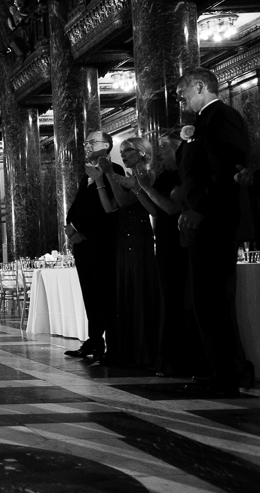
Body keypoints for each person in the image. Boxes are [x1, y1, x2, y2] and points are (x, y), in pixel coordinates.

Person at [177, 67, 254, 393]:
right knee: (206, 300)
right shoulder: (204, 122)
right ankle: (222, 370)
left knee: (213, 301)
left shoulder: (221, 117)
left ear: (199, 86)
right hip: (204, 223)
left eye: (183, 93)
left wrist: (199, 208)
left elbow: (226, 172)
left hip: (214, 222)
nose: (181, 100)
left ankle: (229, 374)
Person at [135, 133, 206, 377]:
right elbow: (154, 209)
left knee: (178, 299)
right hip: (164, 241)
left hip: (178, 242)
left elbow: (171, 207)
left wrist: (145, 187)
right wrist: (139, 190)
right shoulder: (165, 176)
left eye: (164, 148)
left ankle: (182, 360)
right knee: (169, 300)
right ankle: (168, 360)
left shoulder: (182, 175)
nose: (161, 153)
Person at [64, 131, 124, 363]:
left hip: (101, 243)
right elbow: (78, 206)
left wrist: (83, 232)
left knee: (104, 292)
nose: (87, 145)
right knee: (90, 293)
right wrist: (69, 226)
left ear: (107, 146)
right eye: (86, 142)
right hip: (83, 245)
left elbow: (106, 212)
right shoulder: (85, 177)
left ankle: (112, 342)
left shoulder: (114, 171)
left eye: (93, 142)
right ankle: (94, 339)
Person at [99, 137, 159, 368]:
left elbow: (124, 201)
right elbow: (111, 206)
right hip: (124, 239)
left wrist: (109, 174)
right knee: (126, 292)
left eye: (128, 150)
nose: (122, 155)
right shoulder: (126, 177)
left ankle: (144, 352)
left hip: (138, 238)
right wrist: (102, 181)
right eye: (121, 151)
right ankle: (128, 350)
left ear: (142, 153)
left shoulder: (145, 176)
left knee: (139, 290)